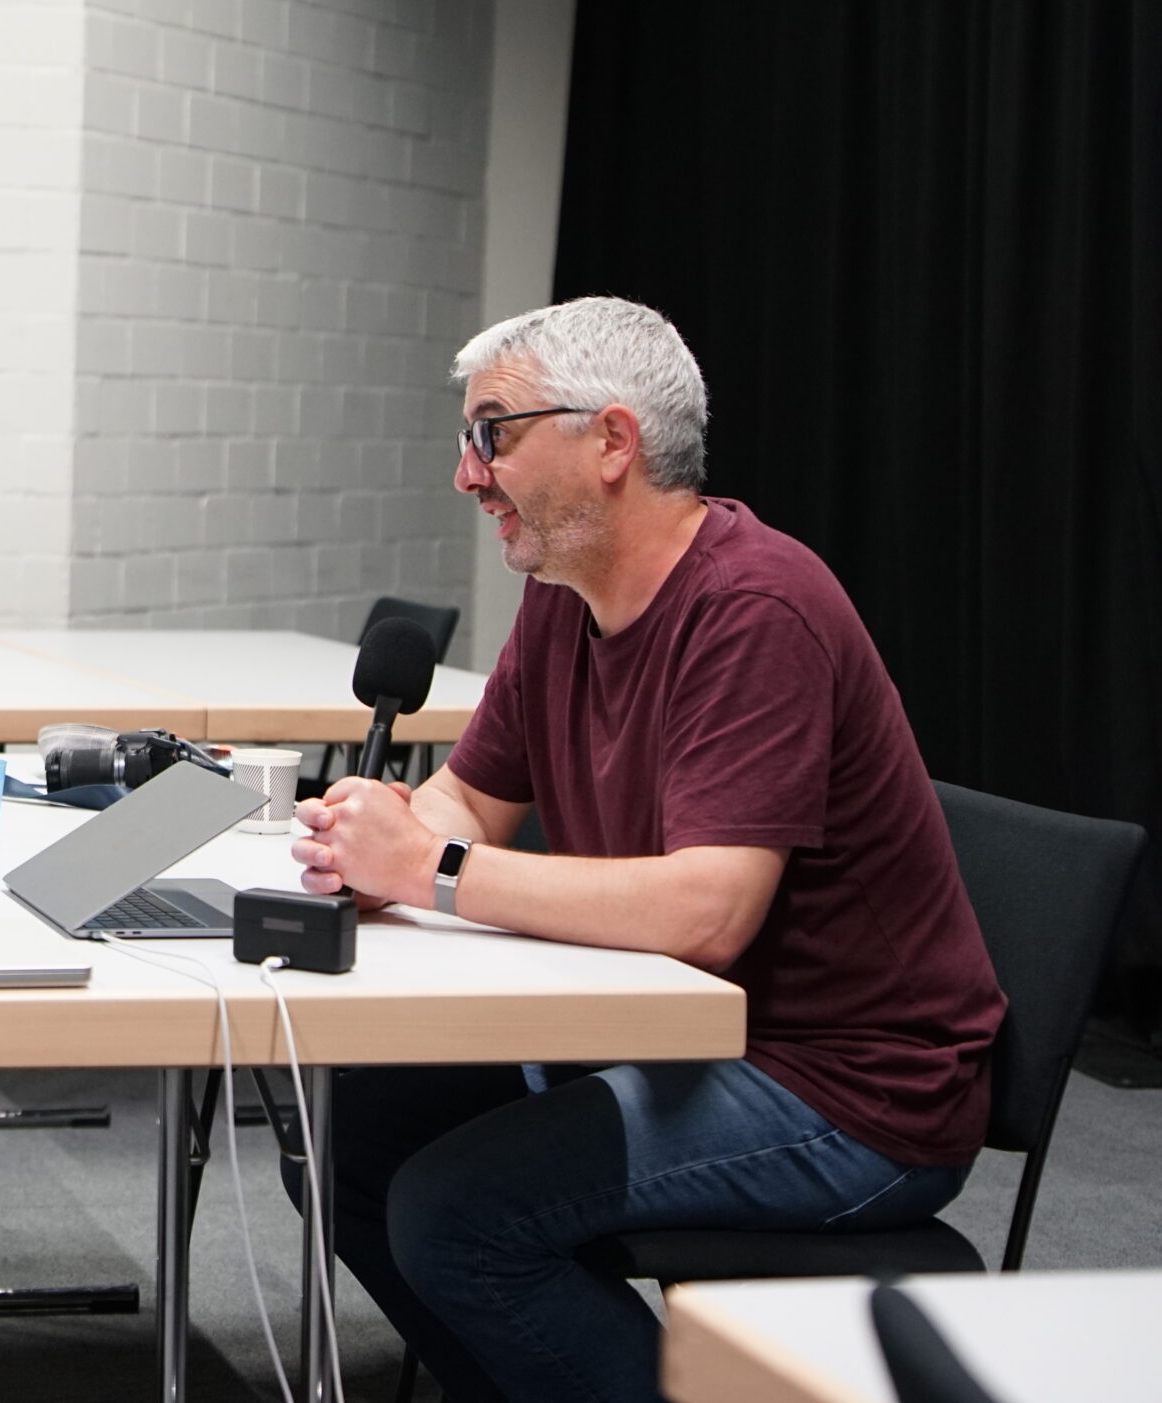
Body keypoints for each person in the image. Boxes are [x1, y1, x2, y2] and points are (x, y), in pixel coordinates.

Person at [290, 297, 1004, 1403]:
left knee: (455, 1212)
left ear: (613, 441)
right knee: (349, 1142)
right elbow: (470, 798)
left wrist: (427, 869)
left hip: (843, 1090)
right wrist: (377, 839)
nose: (468, 475)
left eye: (492, 435)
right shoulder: (563, 595)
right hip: (662, 1033)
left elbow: (706, 913)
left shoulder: (757, 608)